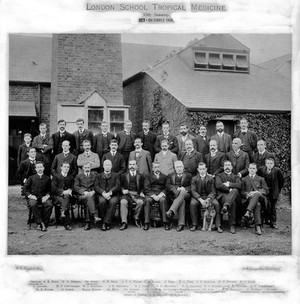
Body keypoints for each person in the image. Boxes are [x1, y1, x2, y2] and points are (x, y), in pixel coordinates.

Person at [190, 162, 222, 232]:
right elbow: (193, 191)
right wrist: (200, 199)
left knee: (216, 204)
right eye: (200, 169)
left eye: (203, 169)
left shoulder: (210, 178)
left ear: (206, 169)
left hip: (209, 197)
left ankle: (218, 225)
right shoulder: (194, 178)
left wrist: (208, 199)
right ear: (198, 169)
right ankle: (194, 224)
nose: (202, 170)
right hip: (198, 197)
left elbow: (213, 191)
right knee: (192, 204)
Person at [23, 161, 52, 231]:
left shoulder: (47, 178)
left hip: (43, 197)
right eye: (38, 167)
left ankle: (45, 222)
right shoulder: (31, 178)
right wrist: (30, 195)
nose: (40, 169)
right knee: (33, 204)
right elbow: (25, 188)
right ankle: (40, 223)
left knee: (49, 204)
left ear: (44, 168)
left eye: (41, 167)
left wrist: (47, 196)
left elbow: (51, 189)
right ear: (35, 169)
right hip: (34, 197)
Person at [241, 163, 269, 235]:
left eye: (253, 168)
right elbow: (242, 192)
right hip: (249, 199)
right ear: (248, 169)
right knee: (257, 205)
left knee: (257, 194)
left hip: (261, 198)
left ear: (256, 170)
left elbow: (266, 190)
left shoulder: (261, 179)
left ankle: (248, 212)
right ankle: (258, 226)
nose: (252, 170)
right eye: (250, 168)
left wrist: (257, 192)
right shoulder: (244, 179)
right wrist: (247, 194)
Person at [215, 160, 242, 234]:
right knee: (232, 202)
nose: (227, 167)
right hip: (222, 196)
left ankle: (226, 206)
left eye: (229, 165)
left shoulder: (236, 176)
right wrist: (229, 189)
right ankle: (232, 225)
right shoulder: (219, 176)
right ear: (223, 167)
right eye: (225, 165)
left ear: (232, 167)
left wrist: (229, 184)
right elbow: (218, 185)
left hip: (233, 196)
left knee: (235, 190)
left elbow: (239, 185)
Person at [165, 160, 192, 232]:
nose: (179, 168)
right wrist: (176, 188)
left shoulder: (188, 175)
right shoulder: (170, 175)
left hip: (186, 194)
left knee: (182, 193)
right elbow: (168, 185)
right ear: (175, 168)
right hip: (174, 195)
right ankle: (181, 224)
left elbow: (191, 186)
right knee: (181, 201)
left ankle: (171, 210)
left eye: (180, 167)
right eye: (177, 167)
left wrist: (185, 189)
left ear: (183, 167)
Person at [258, 157, 284, 229]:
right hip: (264, 191)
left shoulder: (277, 171)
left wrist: (277, 190)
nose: (269, 165)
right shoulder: (261, 170)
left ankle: (273, 222)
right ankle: (264, 220)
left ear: (274, 164)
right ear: (265, 164)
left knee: (273, 207)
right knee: (264, 205)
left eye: (271, 163)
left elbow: (281, 181)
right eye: (268, 163)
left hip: (273, 191)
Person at [94, 160, 120, 231]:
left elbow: (117, 186)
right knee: (102, 202)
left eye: (109, 165)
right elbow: (96, 186)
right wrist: (103, 193)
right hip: (102, 195)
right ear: (103, 166)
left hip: (113, 194)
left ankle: (106, 223)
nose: (107, 167)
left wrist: (110, 193)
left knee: (113, 202)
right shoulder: (98, 176)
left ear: (111, 166)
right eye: (106, 165)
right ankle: (104, 221)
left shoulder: (116, 175)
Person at [74, 162, 100, 231]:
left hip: (92, 195)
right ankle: (95, 215)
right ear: (83, 168)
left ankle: (87, 223)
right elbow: (76, 187)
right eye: (85, 168)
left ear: (90, 168)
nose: (87, 169)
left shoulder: (95, 175)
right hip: (82, 196)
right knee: (89, 199)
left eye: (88, 167)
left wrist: (93, 191)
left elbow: (97, 186)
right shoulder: (78, 176)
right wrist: (84, 192)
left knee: (89, 200)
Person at [119, 159, 145, 230]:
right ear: (128, 166)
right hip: (126, 195)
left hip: (137, 194)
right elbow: (119, 185)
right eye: (130, 164)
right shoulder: (123, 175)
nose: (132, 166)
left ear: (137, 166)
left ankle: (135, 218)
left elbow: (143, 187)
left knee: (141, 202)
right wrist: (122, 190)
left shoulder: (141, 176)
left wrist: (142, 192)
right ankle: (124, 222)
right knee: (123, 202)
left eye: (133, 164)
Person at [144, 162, 170, 230]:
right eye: (155, 167)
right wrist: (153, 195)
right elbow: (146, 187)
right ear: (152, 168)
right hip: (151, 194)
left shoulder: (165, 176)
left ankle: (165, 222)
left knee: (163, 200)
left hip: (161, 194)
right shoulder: (148, 176)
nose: (157, 169)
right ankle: (146, 222)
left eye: (158, 167)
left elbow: (167, 188)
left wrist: (160, 195)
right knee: (148, 200)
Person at [51, 162, 74, 230]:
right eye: (65, 167)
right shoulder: (56, 176)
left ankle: (63, 212)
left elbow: (73, 187)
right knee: (65, 200)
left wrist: (70, 190)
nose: (66, 168)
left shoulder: (71, 177)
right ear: (61, 167)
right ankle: (67, 223)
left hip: (68, 197)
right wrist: (63, 192)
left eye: (68, 167)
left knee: (66, 197)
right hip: (58, 197)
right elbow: (53, 189)